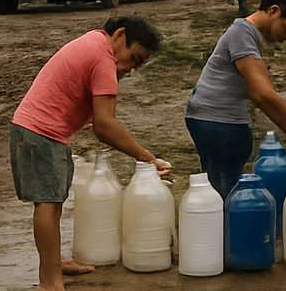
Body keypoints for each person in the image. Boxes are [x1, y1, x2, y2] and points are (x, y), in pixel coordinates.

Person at [11, 17, 169, 291]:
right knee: (47, 204)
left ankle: (53, 264)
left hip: (38, 132)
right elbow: (104, 125)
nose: (130, 69)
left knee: (52, 203)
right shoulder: (103, 56)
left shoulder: (94, 43)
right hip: (40, 133)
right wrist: (147, 158)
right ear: (120, 35)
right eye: (134, 59)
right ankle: (50, 283)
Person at [185, 0, 286, 199]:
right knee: (224, 194)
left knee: (226, 188)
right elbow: (262, 95)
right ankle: (223, 231)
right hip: (216, 122)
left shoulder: (249, 36)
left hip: (219, 120)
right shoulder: (242, 33)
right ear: (273, 11)